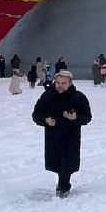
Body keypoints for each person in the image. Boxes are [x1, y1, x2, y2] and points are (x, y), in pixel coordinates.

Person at [31, 68, 93, 197]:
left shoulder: (79, 97)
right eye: (58, 82)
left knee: (67, 164)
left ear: (70, 83)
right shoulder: (47, 96)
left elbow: (87, 117)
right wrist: (45, 120)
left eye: (63, 83)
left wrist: (75, 117)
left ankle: (64, 186)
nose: (60, 85)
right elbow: (36, 114)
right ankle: (62, 184)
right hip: (52, 137)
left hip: (70, 137)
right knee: (56, 163)